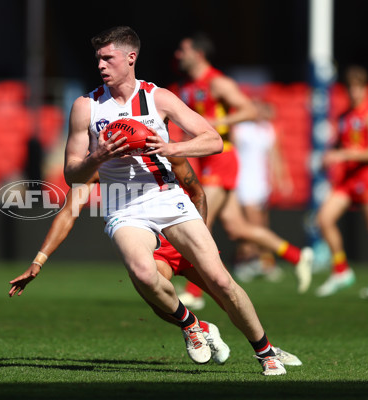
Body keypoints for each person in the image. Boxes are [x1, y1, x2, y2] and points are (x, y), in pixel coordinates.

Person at [62, 26, 286, 375]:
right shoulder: (86, 106)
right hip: (122, 204)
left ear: (130, 58)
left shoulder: (158, 98)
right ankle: (192, 325)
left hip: (167, 197)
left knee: (220, 280)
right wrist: (97, 157)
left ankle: (265, 350)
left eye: (108, 58)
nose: (101, 65)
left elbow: (213, 140)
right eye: (98, 59)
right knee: (143, 273)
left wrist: (172, 148)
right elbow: (71, 174)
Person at [9, 157, 303, 368]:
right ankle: (197, 327)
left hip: (182, 239)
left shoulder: (165, 151)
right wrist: (40, 260)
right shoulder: (102, 165)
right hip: (152, 245)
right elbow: (68, 213)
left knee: (227, 293)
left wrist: (198, 236)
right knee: (155, 294)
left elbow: (198, 193)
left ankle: (267, 349)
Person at [168, 34, 312, 306]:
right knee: (236, 228)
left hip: (223, 156)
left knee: (199, 221)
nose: (178, 54)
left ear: (199, 54)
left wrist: (216, 121)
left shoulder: (217, 82)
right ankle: (296, 256)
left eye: (183, 49)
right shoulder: (186, 86)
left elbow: (249, 111)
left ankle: (196, 293)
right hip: (208, 160)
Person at [316, 66, 368, 299]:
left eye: (359, 87)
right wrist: (329, 157)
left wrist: (343, 155)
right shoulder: (345, 116)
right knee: (324, 218)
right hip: (348, 179)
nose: (354, 92)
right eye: (351, 88)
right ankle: (341, 270)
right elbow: (340, 146)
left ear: (365, 88)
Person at [233, 100, 293, 282]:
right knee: (252, 224)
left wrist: (282, 179)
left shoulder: (268, 130)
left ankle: (259, 261)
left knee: (261, 223)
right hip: (243, 181)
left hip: (261, 183)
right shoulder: (241, 129)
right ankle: (251, 260)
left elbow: (275, 156)